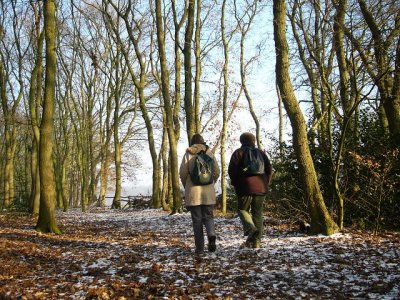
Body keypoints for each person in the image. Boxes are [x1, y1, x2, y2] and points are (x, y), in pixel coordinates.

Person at [228, 132, 273, 249]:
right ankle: (257, 242)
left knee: (242, 209)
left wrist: (236, 183)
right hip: (261, 187)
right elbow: (269, 169)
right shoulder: (261, 153)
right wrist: (265, 182)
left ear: (241, 141)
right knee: (258, 214)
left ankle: (251, 229)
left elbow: (231, 171)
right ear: (253, 141)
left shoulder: (238, 152)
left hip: (244, 187)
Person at [179, 133, 220, 255]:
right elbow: (217, 171)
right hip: (208, 191)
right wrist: (211, 182)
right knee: (208, 216)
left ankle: (200, 249)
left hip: (193, 192)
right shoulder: (209, 153)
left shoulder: (188, 154)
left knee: (197, 220)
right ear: (203, 142)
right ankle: (211, 234)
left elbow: (183, 173)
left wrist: (186, 185)